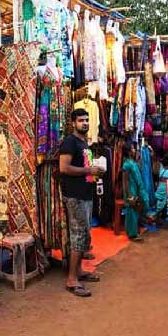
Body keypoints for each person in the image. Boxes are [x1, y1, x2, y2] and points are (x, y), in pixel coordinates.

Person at [59, 108, 104, 297]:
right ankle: (71, 280)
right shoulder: (70, 142)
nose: (85, 123)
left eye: (87, 120)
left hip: (85, 194)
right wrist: (89, 171)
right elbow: (64, 167)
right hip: (75, 196)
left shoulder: (83, 143)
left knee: (84, 235)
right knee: (78, 236)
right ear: (73, 123)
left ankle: (78, 271)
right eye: (81, 120)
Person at [121, 142, 147, 241]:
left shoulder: (133, 162)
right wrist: (129, 194)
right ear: (128, 151)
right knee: (131, 211)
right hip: (130, 190)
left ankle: (133, 231)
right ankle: (132, 235)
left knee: (136, 209)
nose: (134, 150)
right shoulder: (126, 164)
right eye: (132, 149)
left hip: (135, 188)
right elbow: (125, 181)